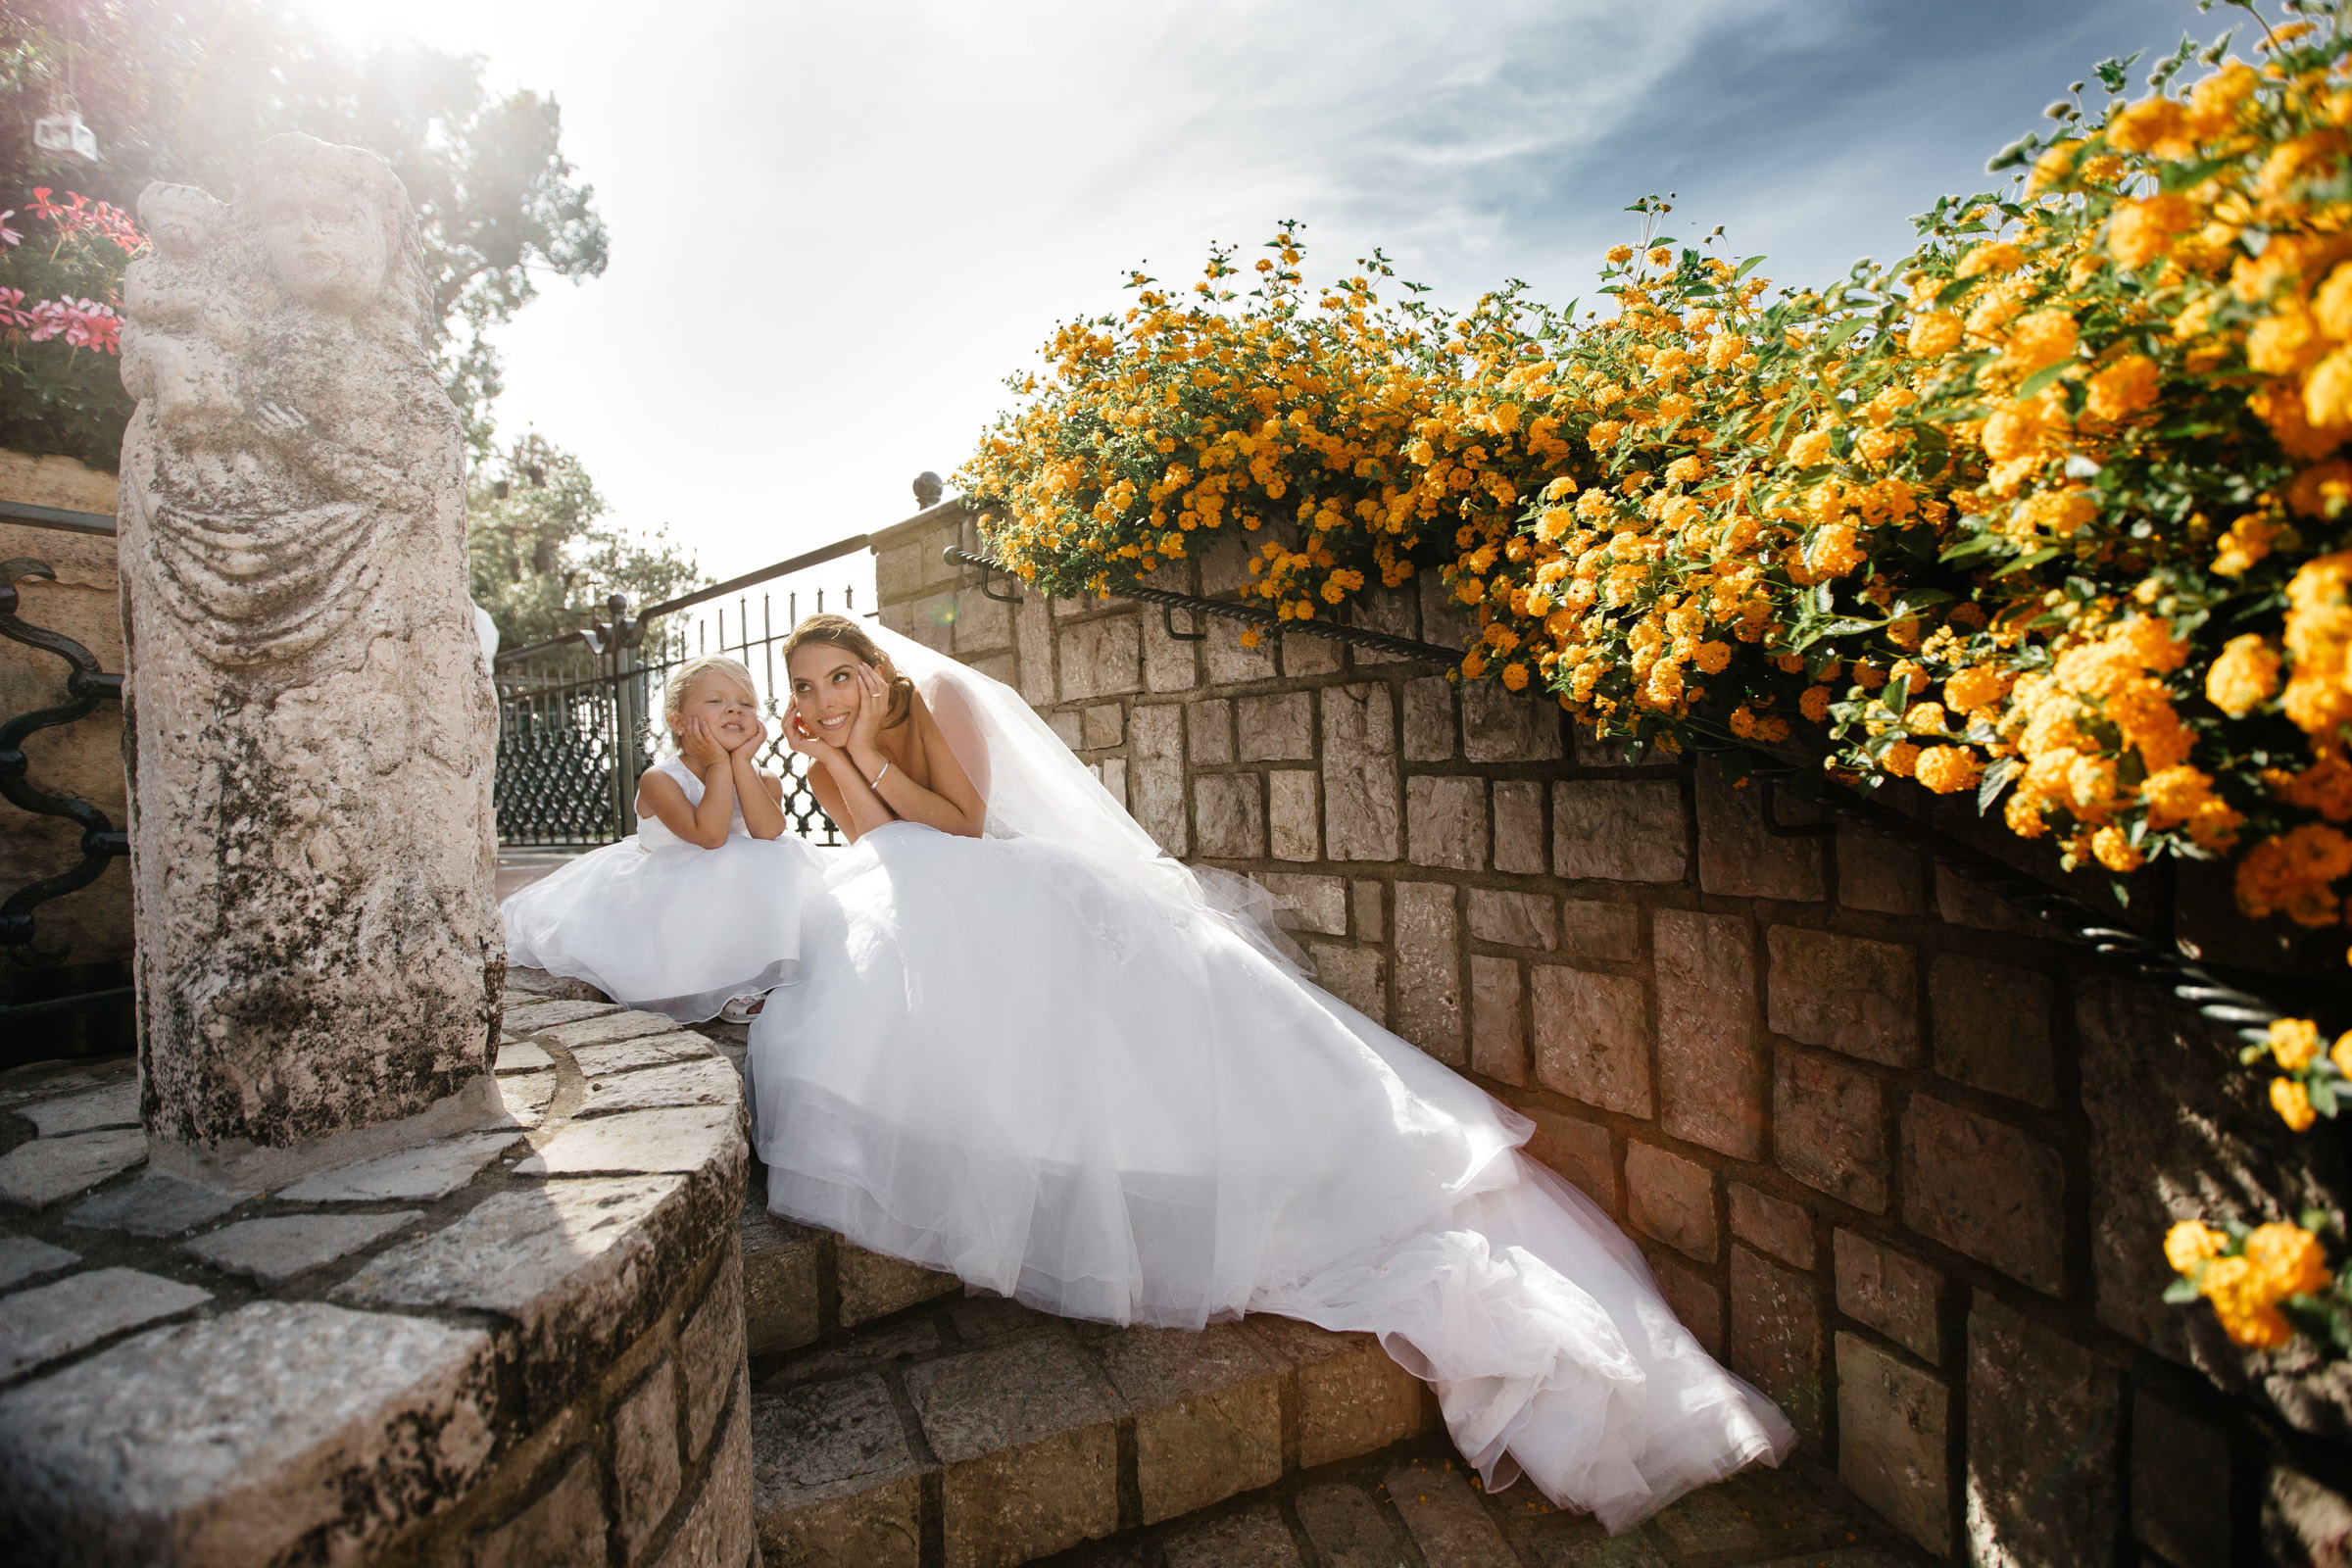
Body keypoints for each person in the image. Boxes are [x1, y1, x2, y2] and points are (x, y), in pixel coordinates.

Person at [745, 615, 1795, 1531]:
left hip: (1026, 895)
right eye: (806, 688)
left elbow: (964, 825)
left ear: (875, 668)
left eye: (840, 677)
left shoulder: (940, 698)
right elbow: (878, 845)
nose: (825, 699)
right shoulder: (835, 742)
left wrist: (863, 751)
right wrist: (832, 761)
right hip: (954, 907)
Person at [503, 655, 826, 1022]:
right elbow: (710, 837)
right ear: (677, 721)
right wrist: (719, 764)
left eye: (746, 703)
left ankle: (768, 970)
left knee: (777, 856)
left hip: (728, 890)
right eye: (716, 700)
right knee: (730, 860)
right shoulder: (660, 779)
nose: (734, 709)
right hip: (663, 890)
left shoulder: (763, 777)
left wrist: (740, 763)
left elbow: (768, 833)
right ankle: (725, 984)